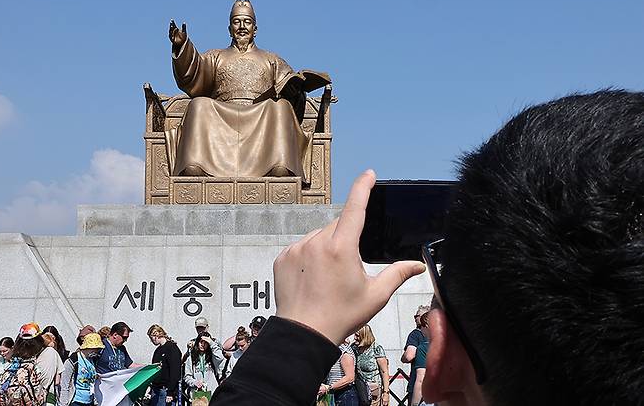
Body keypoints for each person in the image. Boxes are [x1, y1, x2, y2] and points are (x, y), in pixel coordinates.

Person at [207, 90, 644, 406]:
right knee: (204, 108)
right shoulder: (217, 59)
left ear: (442, 368)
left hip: (268, 111)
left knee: (280, 109)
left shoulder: (269, 61)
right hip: (219, 106)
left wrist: (289, 346)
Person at [166, 0, 328, 179]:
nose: (242, 26)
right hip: (222, 113)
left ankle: (280, 166)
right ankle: (195, 165)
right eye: (236, 22)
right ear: (229, 29)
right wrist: (182, 46)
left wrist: (294, 92)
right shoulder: (216, 56)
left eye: (247, 22)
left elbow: (290, 86)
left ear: (255, 29)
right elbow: (193, 71)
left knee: (281, 107)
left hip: (261, 114)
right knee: (198, 105)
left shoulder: (272, 59)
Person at [58, 333, 104, 406]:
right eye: (96, 348)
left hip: (89, 401)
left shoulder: (93, 360)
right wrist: (63, 403)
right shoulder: (73, 360)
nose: (97, 351)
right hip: (75, 401)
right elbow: (64, 384)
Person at [352, 326, 389, 406]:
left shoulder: (376, 348)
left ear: (364, 336)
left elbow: (384, 371)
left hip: (373, 391)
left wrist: (386, 393)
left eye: (357, 335)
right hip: (359, 390)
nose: (355, 338)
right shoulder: (354, 348)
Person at [183, 332, 225, 402]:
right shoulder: (191, 358)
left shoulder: (212, 356)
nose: (203, 345)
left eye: (206, 343)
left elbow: (220, 358)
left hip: (212, 393)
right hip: (197, 394)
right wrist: (194, 382)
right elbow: (187, 377)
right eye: (201, 342)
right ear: (197, 342)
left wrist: (212, 343)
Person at [147, 325, 182, 406]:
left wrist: (170, 392)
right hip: (156, 390)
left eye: (151, 338)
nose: (151, 341)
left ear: (156, 335)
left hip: (165, 391)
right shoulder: (157, 351)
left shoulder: (172, 348)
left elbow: (175, 371)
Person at [319, 336, 358, 406]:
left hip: (345, 395)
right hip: (335, 393)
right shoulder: (335, 350)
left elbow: (350, 378)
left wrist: (329, 387)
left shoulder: (345, 352)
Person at [401, 305, 429, 403]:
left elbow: (409, 356)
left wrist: (402, 358)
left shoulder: (415, 334)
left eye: (416, 316)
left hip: (419, 385)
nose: (415, 318)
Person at [409, 313, 432, 406]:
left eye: (420, 326)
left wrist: (414, 404)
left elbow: (420, 379)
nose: (420, 330)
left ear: (426, 326)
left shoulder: (423, 348)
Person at [36, 332, 64, 398]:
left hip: (33, 391)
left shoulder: (34, 354)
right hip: (48, 392)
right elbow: (57, 381)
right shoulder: (53, 353)